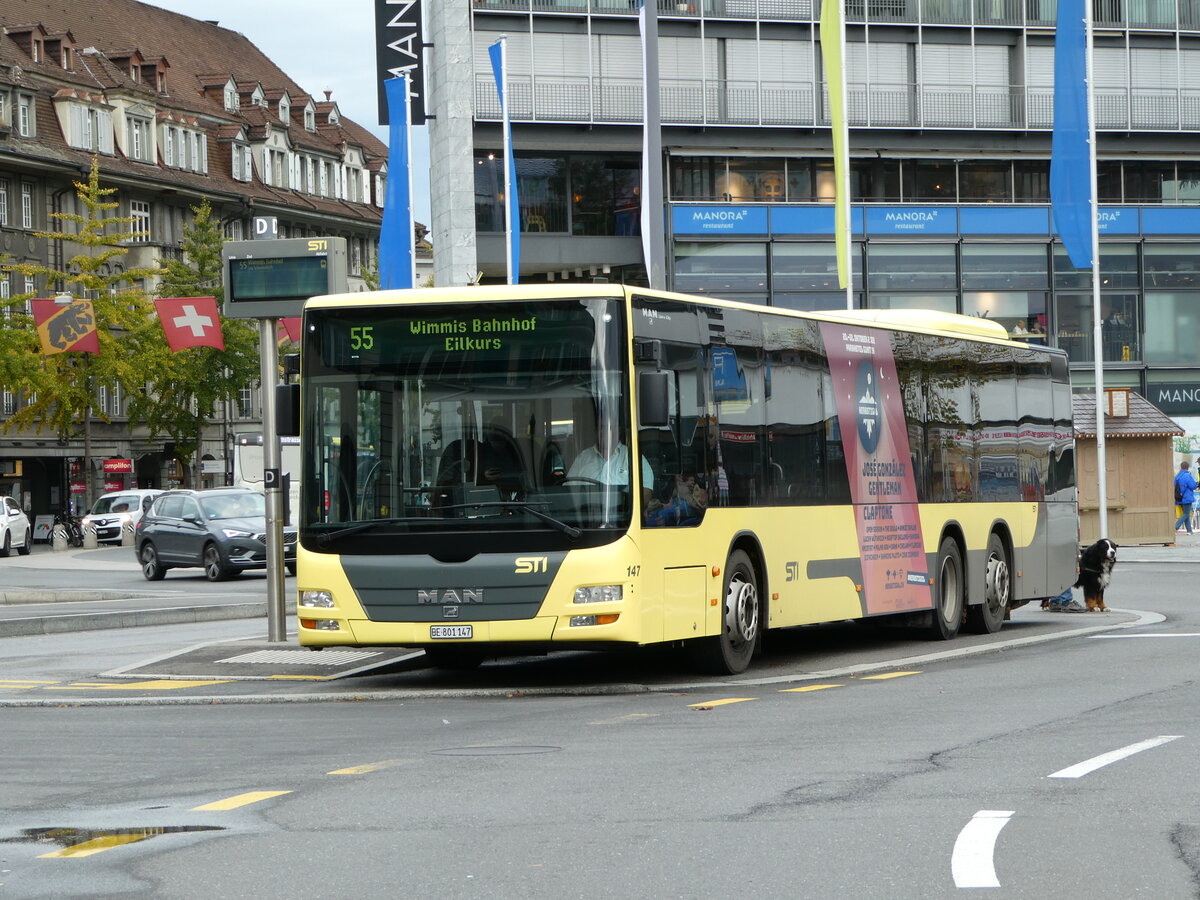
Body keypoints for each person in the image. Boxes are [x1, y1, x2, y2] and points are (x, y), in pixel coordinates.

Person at [568, 416, 654, 506]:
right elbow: (568, 492)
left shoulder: (634, 457)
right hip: (585, 516)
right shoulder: (582, 458)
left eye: (610, 427)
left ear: (619, 430)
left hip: (624, 517)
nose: (606, 431)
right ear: (596, 431)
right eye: (602, 427)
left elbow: (646, 493)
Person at [1174, 460, 1198, 535]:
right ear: (1188, 468)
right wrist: (1197, 484)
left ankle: (1189, 530)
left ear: (1181, 467)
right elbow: (1193, 486)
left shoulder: (1177, 476)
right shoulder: (1187, 475)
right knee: (1186, 514)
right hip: (1186, 498)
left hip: (1179, 497)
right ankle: (1176, 526)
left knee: (1186, 513)